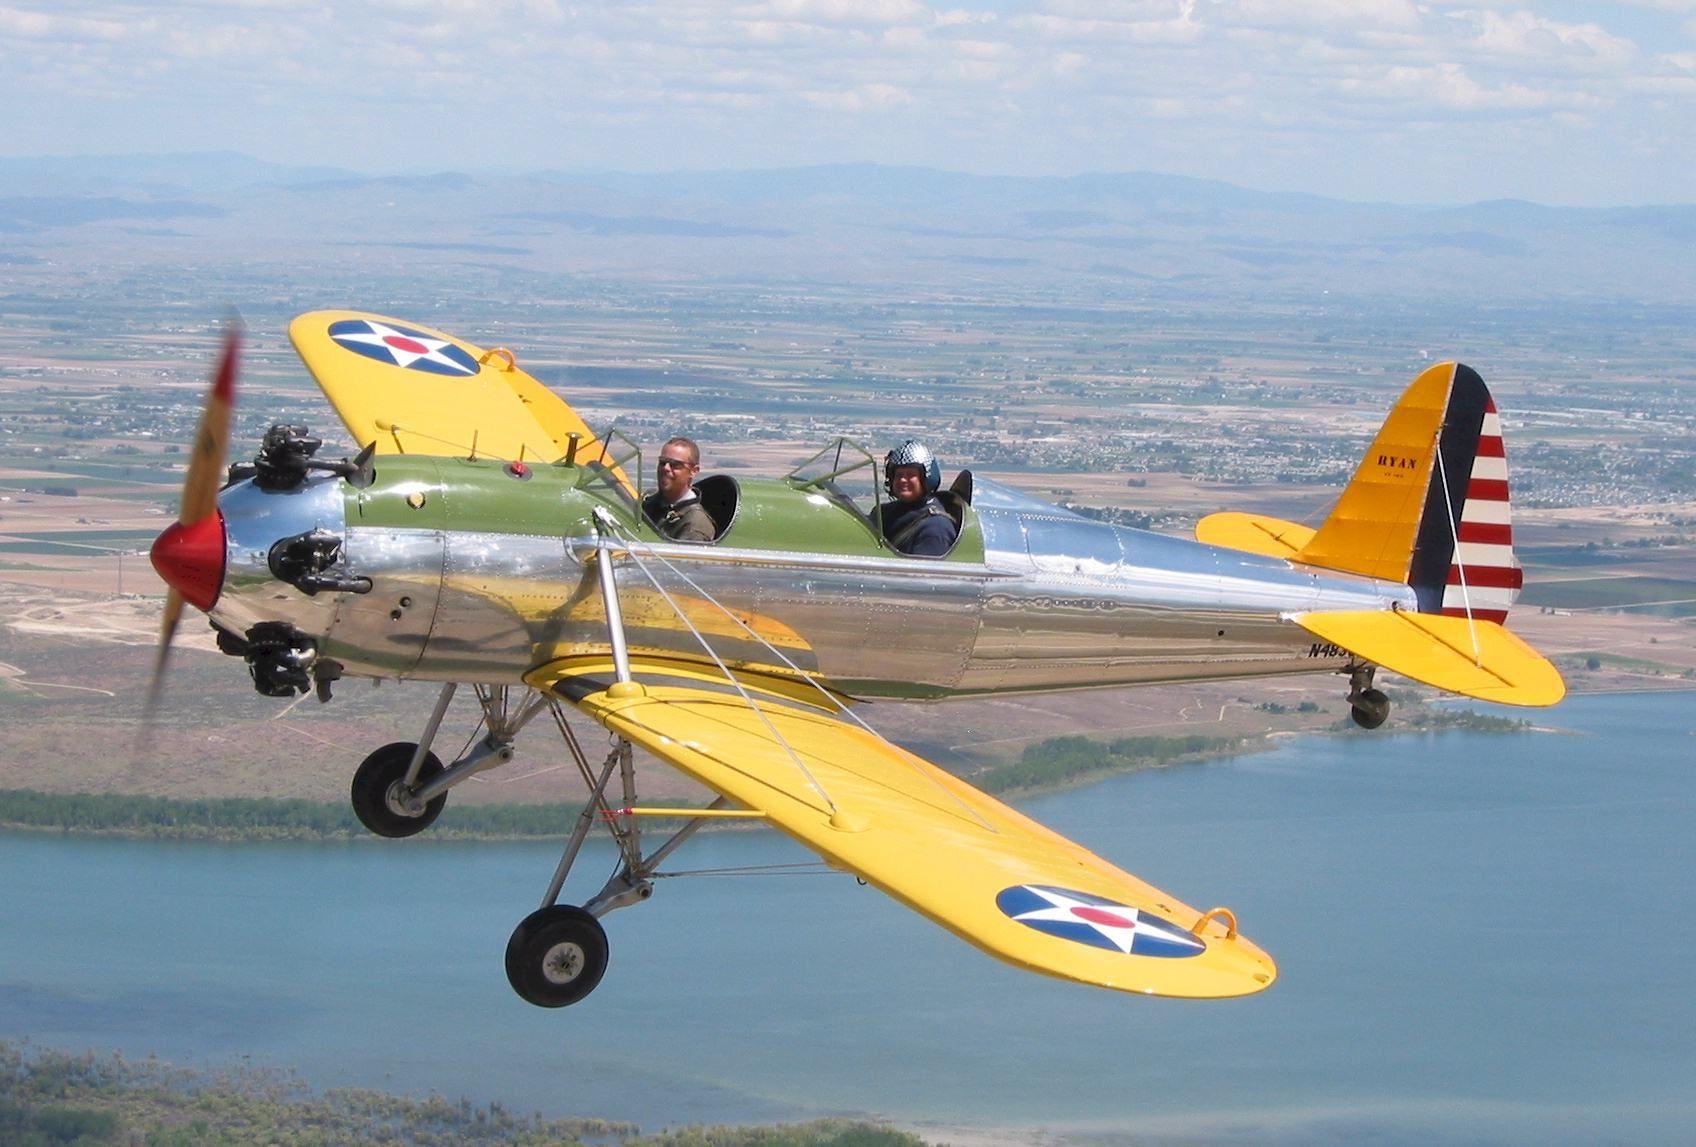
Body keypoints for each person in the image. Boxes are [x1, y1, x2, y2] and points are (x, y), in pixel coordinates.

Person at [875, 440, 958, 557]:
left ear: (926, 478)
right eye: (898, 475)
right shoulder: (884, 514)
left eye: (910, 475)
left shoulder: (935, 528)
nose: (903, 480)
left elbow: (925, 568)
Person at [642, 436, 715, 542]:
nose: (666, 468)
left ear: (693, 471)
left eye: (675, 465)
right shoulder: (649, 501)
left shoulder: (695, 525)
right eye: (662, 462)